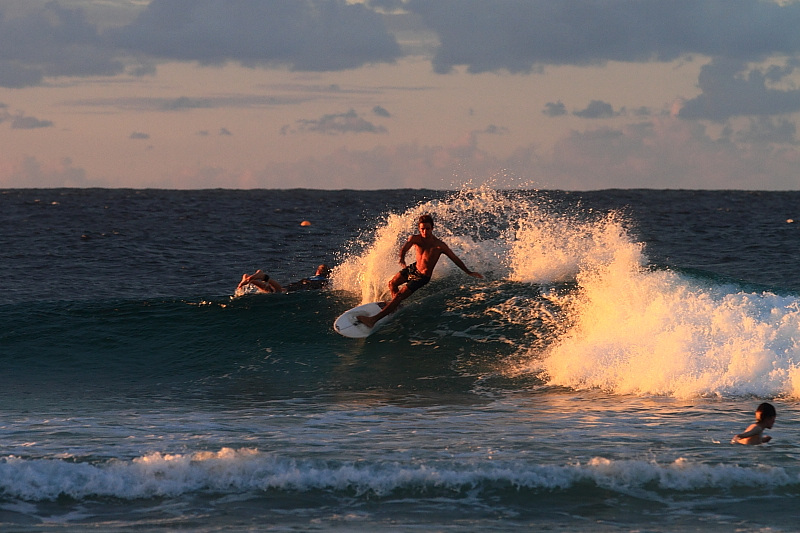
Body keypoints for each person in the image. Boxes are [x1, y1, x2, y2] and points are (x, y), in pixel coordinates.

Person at [356, 214, 483, 328]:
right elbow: (404, 248)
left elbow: (455, 259)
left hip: (423, 276)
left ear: (432, 228)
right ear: (419, 229)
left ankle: (373, 320)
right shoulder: (415, 239)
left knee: (400, 296)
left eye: (427, 228)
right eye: (422, 229)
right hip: (414, 268)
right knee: (392, 284)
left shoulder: (439, 245)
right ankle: (395, 307)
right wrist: (402, 258)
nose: (425, 231)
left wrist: (468, 272)